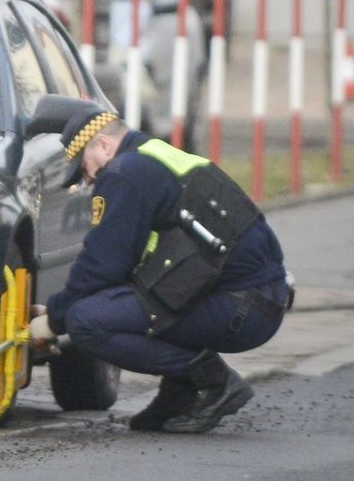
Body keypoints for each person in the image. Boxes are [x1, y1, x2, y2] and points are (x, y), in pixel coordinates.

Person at [25, 95, 289, 434]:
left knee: (86, 322)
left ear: (104, 146)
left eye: (85, 168)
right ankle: (179, 391)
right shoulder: (153, 156)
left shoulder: (123, 173)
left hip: (241, 307)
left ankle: (212, 381)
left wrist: (55, 319)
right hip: (257, 299)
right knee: (123, 302)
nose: (87, 181)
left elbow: (104, 264)